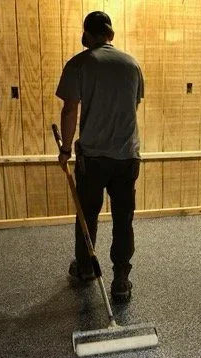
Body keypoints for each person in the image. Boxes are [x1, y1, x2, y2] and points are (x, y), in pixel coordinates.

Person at [56, 11, 144, 304]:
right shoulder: (132, 64)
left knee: (87, 215)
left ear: (86, 35)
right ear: (111, 34)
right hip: (126, 157)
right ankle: (121, 279)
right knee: (123, 218)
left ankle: (85, 269)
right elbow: (134, 105)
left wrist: (65, 149)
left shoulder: (79, 64)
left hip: (93, 159)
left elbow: (70, 111)